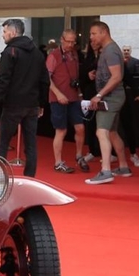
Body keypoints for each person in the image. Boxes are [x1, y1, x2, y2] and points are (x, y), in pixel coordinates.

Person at [0, 18, 49, 177]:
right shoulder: (38, 54)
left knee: (2, 143)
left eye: (4, 31)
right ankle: (30, 177)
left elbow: (3, 81)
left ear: (13, 32)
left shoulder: (10, 52)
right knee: (31, 144)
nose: (3, 35)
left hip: (14, 104)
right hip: (32, 104)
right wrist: (41, 103)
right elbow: (44, 80)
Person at [85, 21, 132, 184]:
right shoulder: (108, 50)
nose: (91, 37)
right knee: (112, 132)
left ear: (104, 32)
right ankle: (123, 166)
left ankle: (106, 170)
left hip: (110, 97)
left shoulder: (111, 50)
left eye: (93, 33)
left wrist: (99, 94)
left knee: (101, 132)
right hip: (112, 96)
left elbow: (117, 77)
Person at [46, 29, 88, 173]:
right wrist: (58, 94)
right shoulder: (53, 55)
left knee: (80, 128)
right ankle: (58, 162)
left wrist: (80, 93)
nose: (71, 44)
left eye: (73, 41)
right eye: (68, 41)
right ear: (61, 39)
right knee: (61, 130)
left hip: (74, 96)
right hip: (58, 98)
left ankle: (79, 155)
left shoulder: (75, 54)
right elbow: (47, 78)